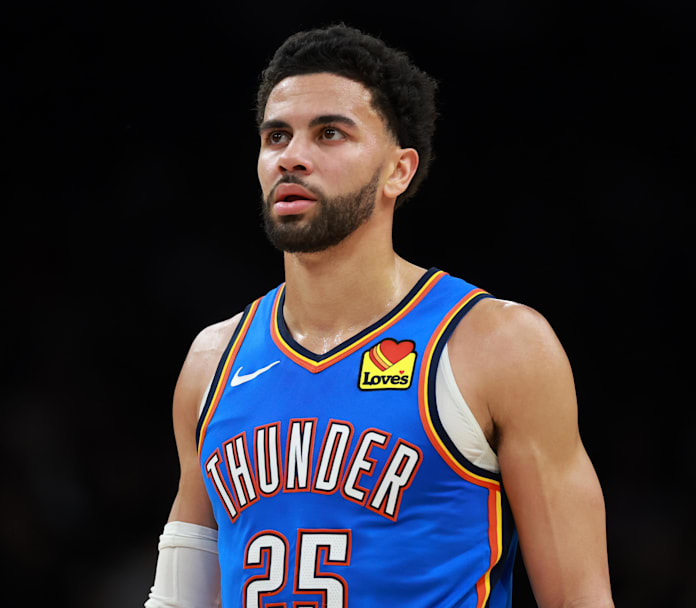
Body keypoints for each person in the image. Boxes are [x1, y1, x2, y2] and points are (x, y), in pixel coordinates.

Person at [145, 24, 613, 608]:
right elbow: (179, 600)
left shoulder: (497, 344)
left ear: (399, 170)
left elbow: (578, 599)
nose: (292, 156)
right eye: (276, 137)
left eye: (330, 134)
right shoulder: (212, 361)